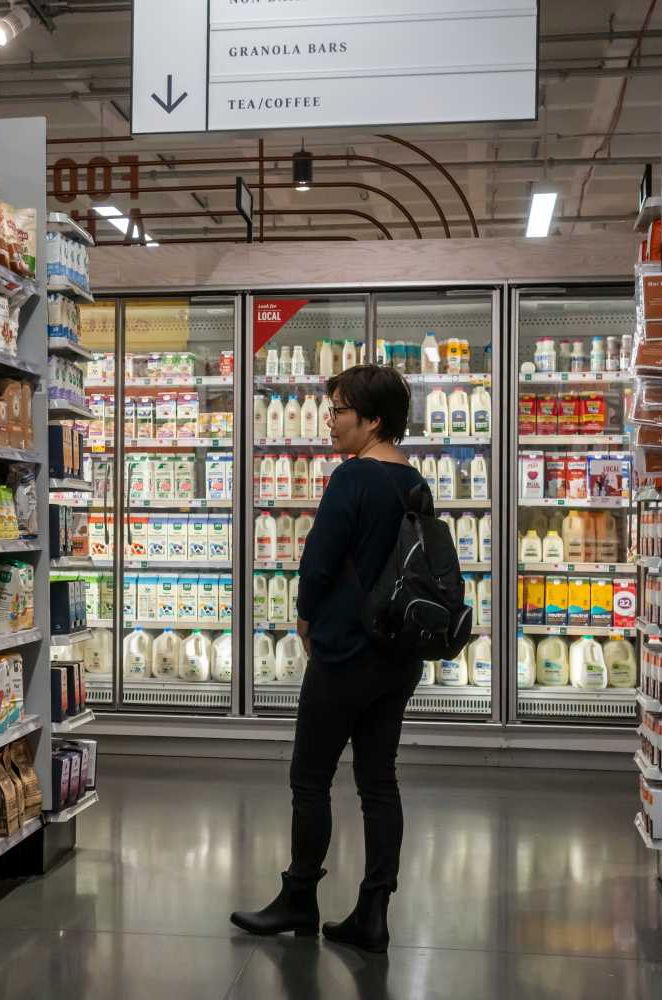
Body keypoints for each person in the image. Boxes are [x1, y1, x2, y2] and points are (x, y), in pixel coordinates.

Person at [230, 363, 426, 954]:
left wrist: (305, 616)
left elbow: (319, 558)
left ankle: (298, 900)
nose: (330, 420)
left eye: (339, 410)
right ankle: (373, 911)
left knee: (310, 778)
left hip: (345, 649)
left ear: (371, 419)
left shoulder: (351, 479)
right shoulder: (414, 480)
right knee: (379, 781)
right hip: (398, 652)